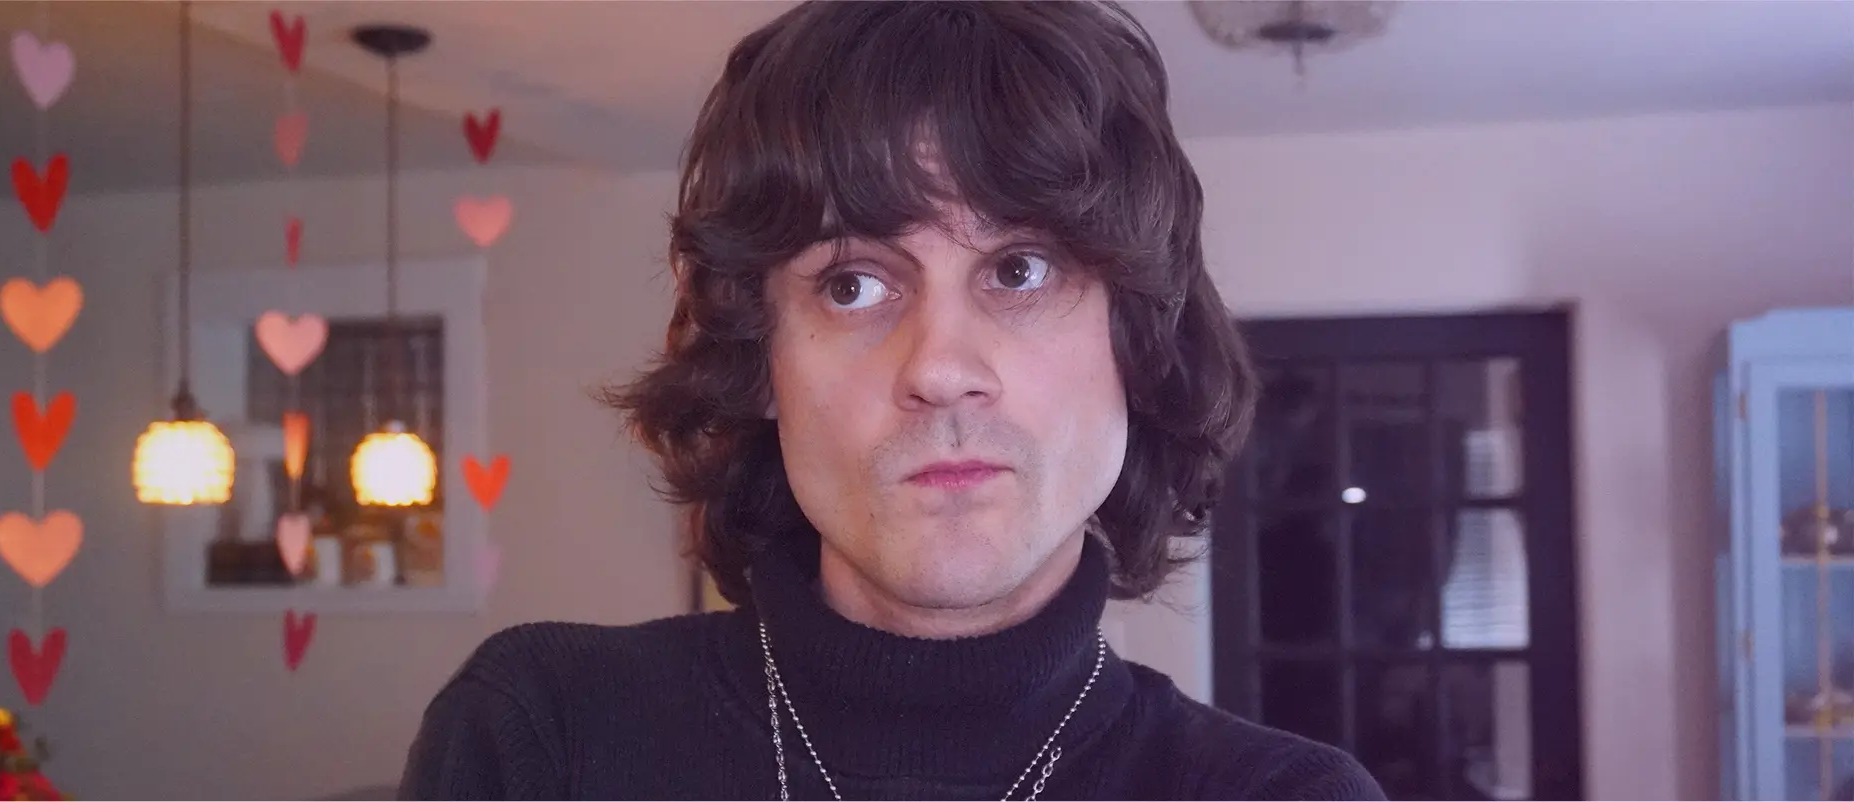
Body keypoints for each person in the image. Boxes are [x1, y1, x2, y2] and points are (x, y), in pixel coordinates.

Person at [399, 2, 1385, 799]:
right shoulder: (544, 736)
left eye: (1020, 269)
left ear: (1136, 340)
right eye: (852, 284)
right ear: (759, 362)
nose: (940, 368)